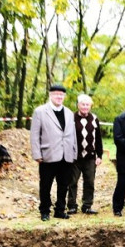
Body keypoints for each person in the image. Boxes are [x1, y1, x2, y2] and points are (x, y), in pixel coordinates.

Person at [30, 83, 77, 221]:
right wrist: (37, 154)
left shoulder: (69, 113)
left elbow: (72, 134)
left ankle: (60, 210)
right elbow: (34, 135)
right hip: (48, 155)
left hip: (66, 155)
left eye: (61, 95)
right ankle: (45, 211)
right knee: (46, 185)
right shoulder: (40, 112)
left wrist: (74, 153)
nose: (59, 97)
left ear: (64, 96)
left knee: (63, 185)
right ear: (50, 95)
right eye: (56, 94)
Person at [67, 94, 103, 215]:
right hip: (75, 157)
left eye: (87, 105)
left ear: (90, 106)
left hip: (90, 157)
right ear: (78, 105)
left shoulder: (94, 119)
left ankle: (87, 205)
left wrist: (99, 155)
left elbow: (98, 139)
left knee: (89, 182)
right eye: (83, 104)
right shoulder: (71, 118)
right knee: (72, 182)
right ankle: (72, 205)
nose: (85, 107)